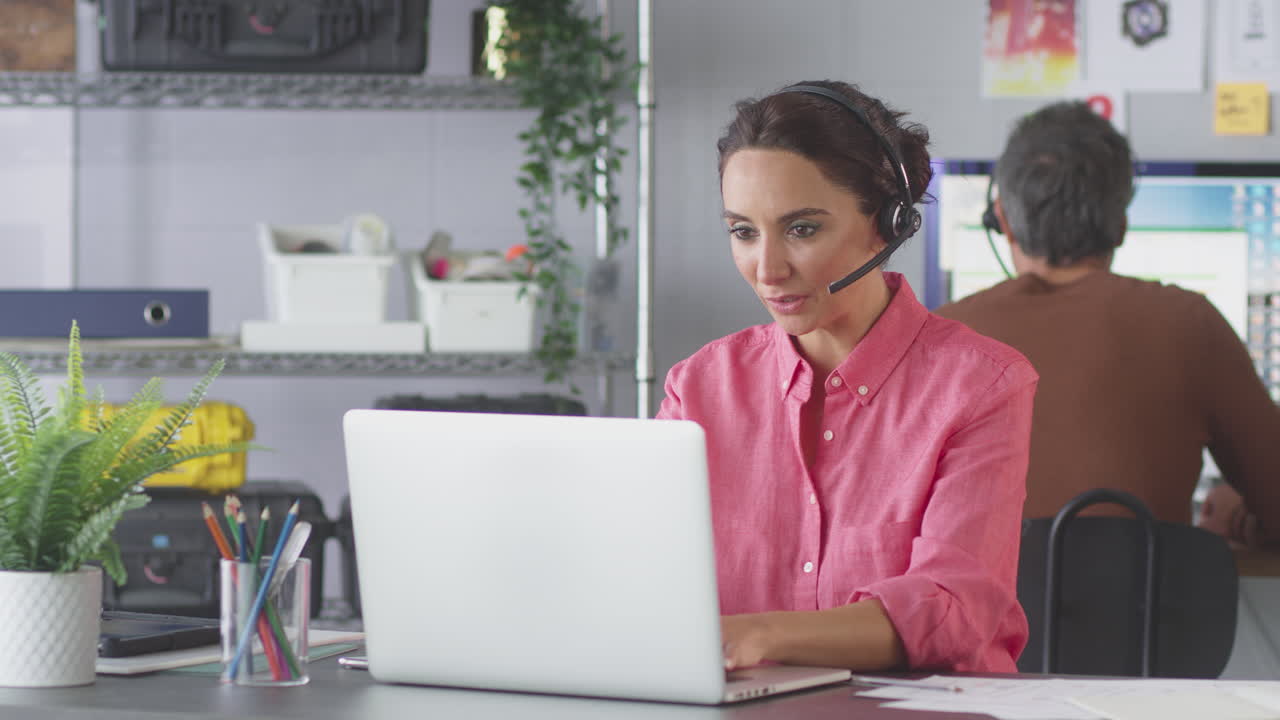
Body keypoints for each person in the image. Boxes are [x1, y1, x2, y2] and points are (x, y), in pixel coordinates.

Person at [657, 80, 1039, 673]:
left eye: (802, 229)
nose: (768, 268)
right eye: (743, 231)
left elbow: (954, 607)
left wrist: (761, 636)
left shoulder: (982, 385)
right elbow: (640, 576)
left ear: (888, 225)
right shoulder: (699, 388)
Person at [935, 101, 1280, 547]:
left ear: (1002, 220)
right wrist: (1238, 516)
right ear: (1120, 223)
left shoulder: (939, 340)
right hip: (1145, 615)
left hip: (981, 618)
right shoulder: (1191, 323)